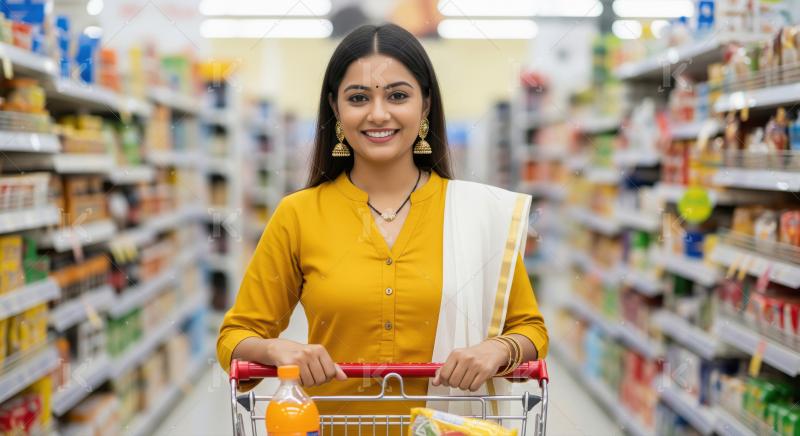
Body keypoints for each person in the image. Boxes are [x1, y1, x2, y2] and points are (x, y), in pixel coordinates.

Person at [216, 23, 548, 418]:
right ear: (336, 109)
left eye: (397, 96)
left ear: (425, 104)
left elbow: (531, 330)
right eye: (358, 97)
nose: (378, 114)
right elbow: (234, 338)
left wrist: (498, 349)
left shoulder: (478, 213)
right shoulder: (298, 215)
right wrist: (275, 348)